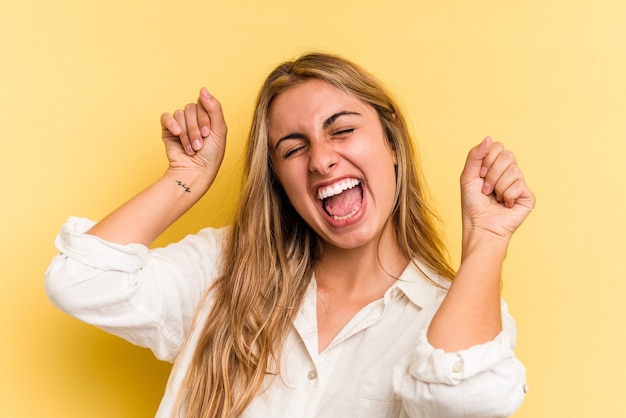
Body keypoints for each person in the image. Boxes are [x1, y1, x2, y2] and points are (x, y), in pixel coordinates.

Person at [45, 52, 535, 418]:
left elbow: (466, 400)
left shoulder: (456, 313)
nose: (321, 159)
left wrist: (487, 239)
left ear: (391, 143)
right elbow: (81, 280)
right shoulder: (223, 268)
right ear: (279, 178)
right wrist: (188, 178)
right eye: (293, 147)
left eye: (341, 131)